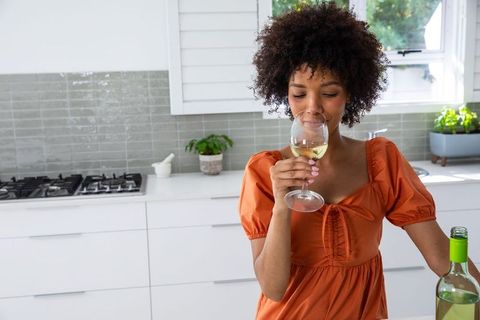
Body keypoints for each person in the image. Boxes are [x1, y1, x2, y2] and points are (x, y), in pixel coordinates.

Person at [238, 2, 480, 320]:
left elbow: (441, 257)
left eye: (329, 93)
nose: (312, 108)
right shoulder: (264, 171)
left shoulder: (381, 160)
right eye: (298, 94)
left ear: (350, 93)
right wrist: (283, 206)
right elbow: (273, 288)